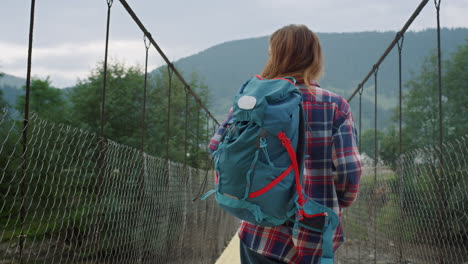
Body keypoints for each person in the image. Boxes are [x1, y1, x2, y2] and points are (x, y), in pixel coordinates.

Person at [209, 24, 361, 264]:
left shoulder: (253, 101)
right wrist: (334, 202)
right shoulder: (335, 106)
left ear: (274, 56)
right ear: (314, 58)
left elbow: (216, 148)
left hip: (261, 232)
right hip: (315, 231)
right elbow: (350, 173)